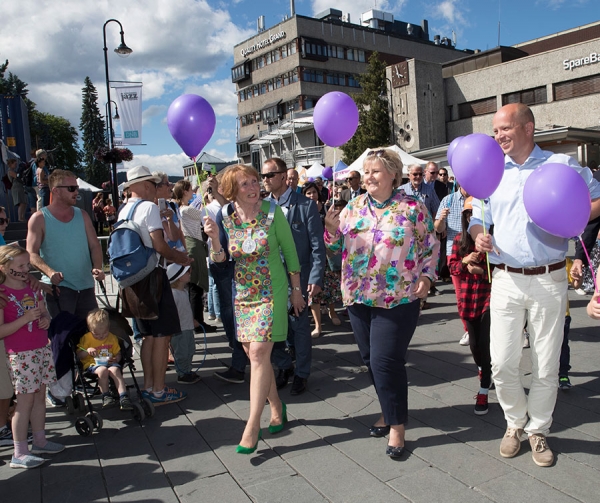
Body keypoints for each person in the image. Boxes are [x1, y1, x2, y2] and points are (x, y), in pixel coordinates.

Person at [470, 103, 600, 467]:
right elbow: (479, 220)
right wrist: (479, 235)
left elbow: (596, 197)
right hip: (506, 279)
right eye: (495, 131)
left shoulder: (561, 165)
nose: (498, 137)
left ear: (528, 127)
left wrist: (570, 218)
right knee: (501, 363)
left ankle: (537, 430)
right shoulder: (493, 171)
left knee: (546, 363)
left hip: (550, 277)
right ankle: (514, 422)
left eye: (505, 128)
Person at [324, 148, 439, 459]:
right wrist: (331, 231)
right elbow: (335, 253)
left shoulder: (412, 207)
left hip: (399, 296)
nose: (369, 177)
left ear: (393, 175)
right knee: (368, 358)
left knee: (384, 361)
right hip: (358, 296)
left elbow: (430, 245)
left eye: (375, 171)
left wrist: (427, 277)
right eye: (367, 172)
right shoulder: (353, 207)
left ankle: (397, 427)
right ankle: (389, 411)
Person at [203, 164, 304, 454]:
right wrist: (213, 239)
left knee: (259, 354)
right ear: (232, 191)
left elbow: (290, 253)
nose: (251, 187)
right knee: (254, 354)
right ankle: (276, 407)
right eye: (244, 184)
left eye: (253, 181)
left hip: (272, 291)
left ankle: (251, 424)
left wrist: (296, 291)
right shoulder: (225, 216)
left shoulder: (273, 212)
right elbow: (221, 259)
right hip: (243, 294)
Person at [118, 165, 192, 406]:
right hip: (153, 277)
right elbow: (159, 245)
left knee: (148, 336)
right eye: (152, 183)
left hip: (132, 280)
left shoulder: (124, 209)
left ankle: (149, 386)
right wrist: (180, 257)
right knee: (162, 334)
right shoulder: (148, 208)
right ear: (146, 185)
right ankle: (158, 389)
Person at [262, 157, 326, 395]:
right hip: (272, 279)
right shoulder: (263, 206)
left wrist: (315, 278)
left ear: (281, 176)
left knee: (299, 326)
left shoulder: (305, 205)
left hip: (300, 277)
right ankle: (283, 366)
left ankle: (302, 373)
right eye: (263, 176)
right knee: (275, 326)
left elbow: (317, 246)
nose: (265, 180)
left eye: (269, 176)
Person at [0, 245, 64, 469]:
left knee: (39, 396)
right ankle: (19, 453)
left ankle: (39, 440)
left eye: (27, 264)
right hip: (20, 354)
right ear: (6, 268)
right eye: (21, 266)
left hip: (39, 348)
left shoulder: (32, 287)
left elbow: (43, 311)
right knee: (24, 401)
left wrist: (44, 319)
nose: (26, 269)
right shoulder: (2, 294)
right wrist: (25, 319)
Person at [27, 170, 105, 320]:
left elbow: (95, 246)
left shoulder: (82, 215)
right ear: (55, 191)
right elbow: (31, 253)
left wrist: (97, 267)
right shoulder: (39, 218)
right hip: (58, 290)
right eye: (71, 188)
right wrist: (50, 272)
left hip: (86, 288)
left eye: (76, 188)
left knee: (90, 337)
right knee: (64, 338)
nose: (76, 192)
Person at [448, 197, 492, 415]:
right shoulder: (459, 239)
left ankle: (483, 390)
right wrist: (466, 262)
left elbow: (502, 271)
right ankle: (485, 371)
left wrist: (482, 271)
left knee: (485, 343)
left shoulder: (494, 240)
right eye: (468, 214)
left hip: (488, 297)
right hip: (468, 299)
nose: (470, 217)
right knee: (475, 347)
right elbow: (452, 267)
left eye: (474, 214)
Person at [172, 179, 215, 334]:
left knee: (194, 287)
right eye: (190, 189)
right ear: (184, 191)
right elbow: (203, 215)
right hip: (194, 245)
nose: (192, 192)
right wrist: (206, 199)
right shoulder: (184, 209)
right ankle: (197, 322)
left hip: (193, 244)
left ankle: (196, 321)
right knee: (195, 286)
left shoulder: (182, 208)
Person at [302, 182, 342, 337]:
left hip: (327, 254)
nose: (312, 195)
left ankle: (333, 312)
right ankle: (318, 324)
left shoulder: (326, 209)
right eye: (308, 193)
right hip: (311, 255)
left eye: (314, 192)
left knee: (330, 287)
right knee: (313, 291)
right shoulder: (303, 209)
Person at [77, 308, 132, 410]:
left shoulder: (112, 337)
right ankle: (105, 395)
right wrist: (87, 350)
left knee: (115, 370)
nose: (101, 336)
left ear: (108, 328)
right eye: (96, 334)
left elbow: (118, 352)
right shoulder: (87, 338)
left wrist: (117, 358)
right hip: (92, 364)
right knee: (103, 370)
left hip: (109, 362)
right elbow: (79, 355)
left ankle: (123, 396)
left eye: (104, 333)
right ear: (90, 329)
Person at [435, 186, 470, 344]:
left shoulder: (480, 198)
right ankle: (468, 330)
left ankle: (480, 328)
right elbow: (438, 228)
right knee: (460, 295)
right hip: (454, 252)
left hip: (475, 249)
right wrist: (441, 219)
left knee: (479, 293)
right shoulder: (448, 200)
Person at [166, 263, 201, 385]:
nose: (189, 273)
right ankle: (182, 374)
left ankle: (187, 370)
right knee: (181, 352)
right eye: (187, 272)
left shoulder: (184, 292)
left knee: (190, 350)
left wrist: (192, 320)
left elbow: (186, 309)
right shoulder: (173, 294)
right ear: (180, 277)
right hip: (179, 330)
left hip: (187, 328)